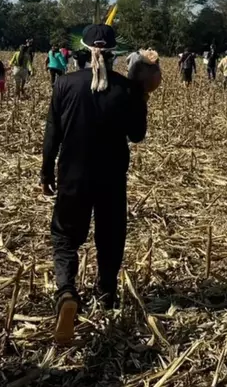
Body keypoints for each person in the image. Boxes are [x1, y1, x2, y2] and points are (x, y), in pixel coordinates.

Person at [41, 24, 153, 345]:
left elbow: (53, 132)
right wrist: (141, 94)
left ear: (84, 51)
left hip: (73, 176)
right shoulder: (126, 88)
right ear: (114, 54)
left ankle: (66, 293)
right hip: (111, 176)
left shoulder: (64, 84)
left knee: (65, 235)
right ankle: (106, 294)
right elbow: (137, 135)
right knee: (110, 235)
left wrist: (46, 171)